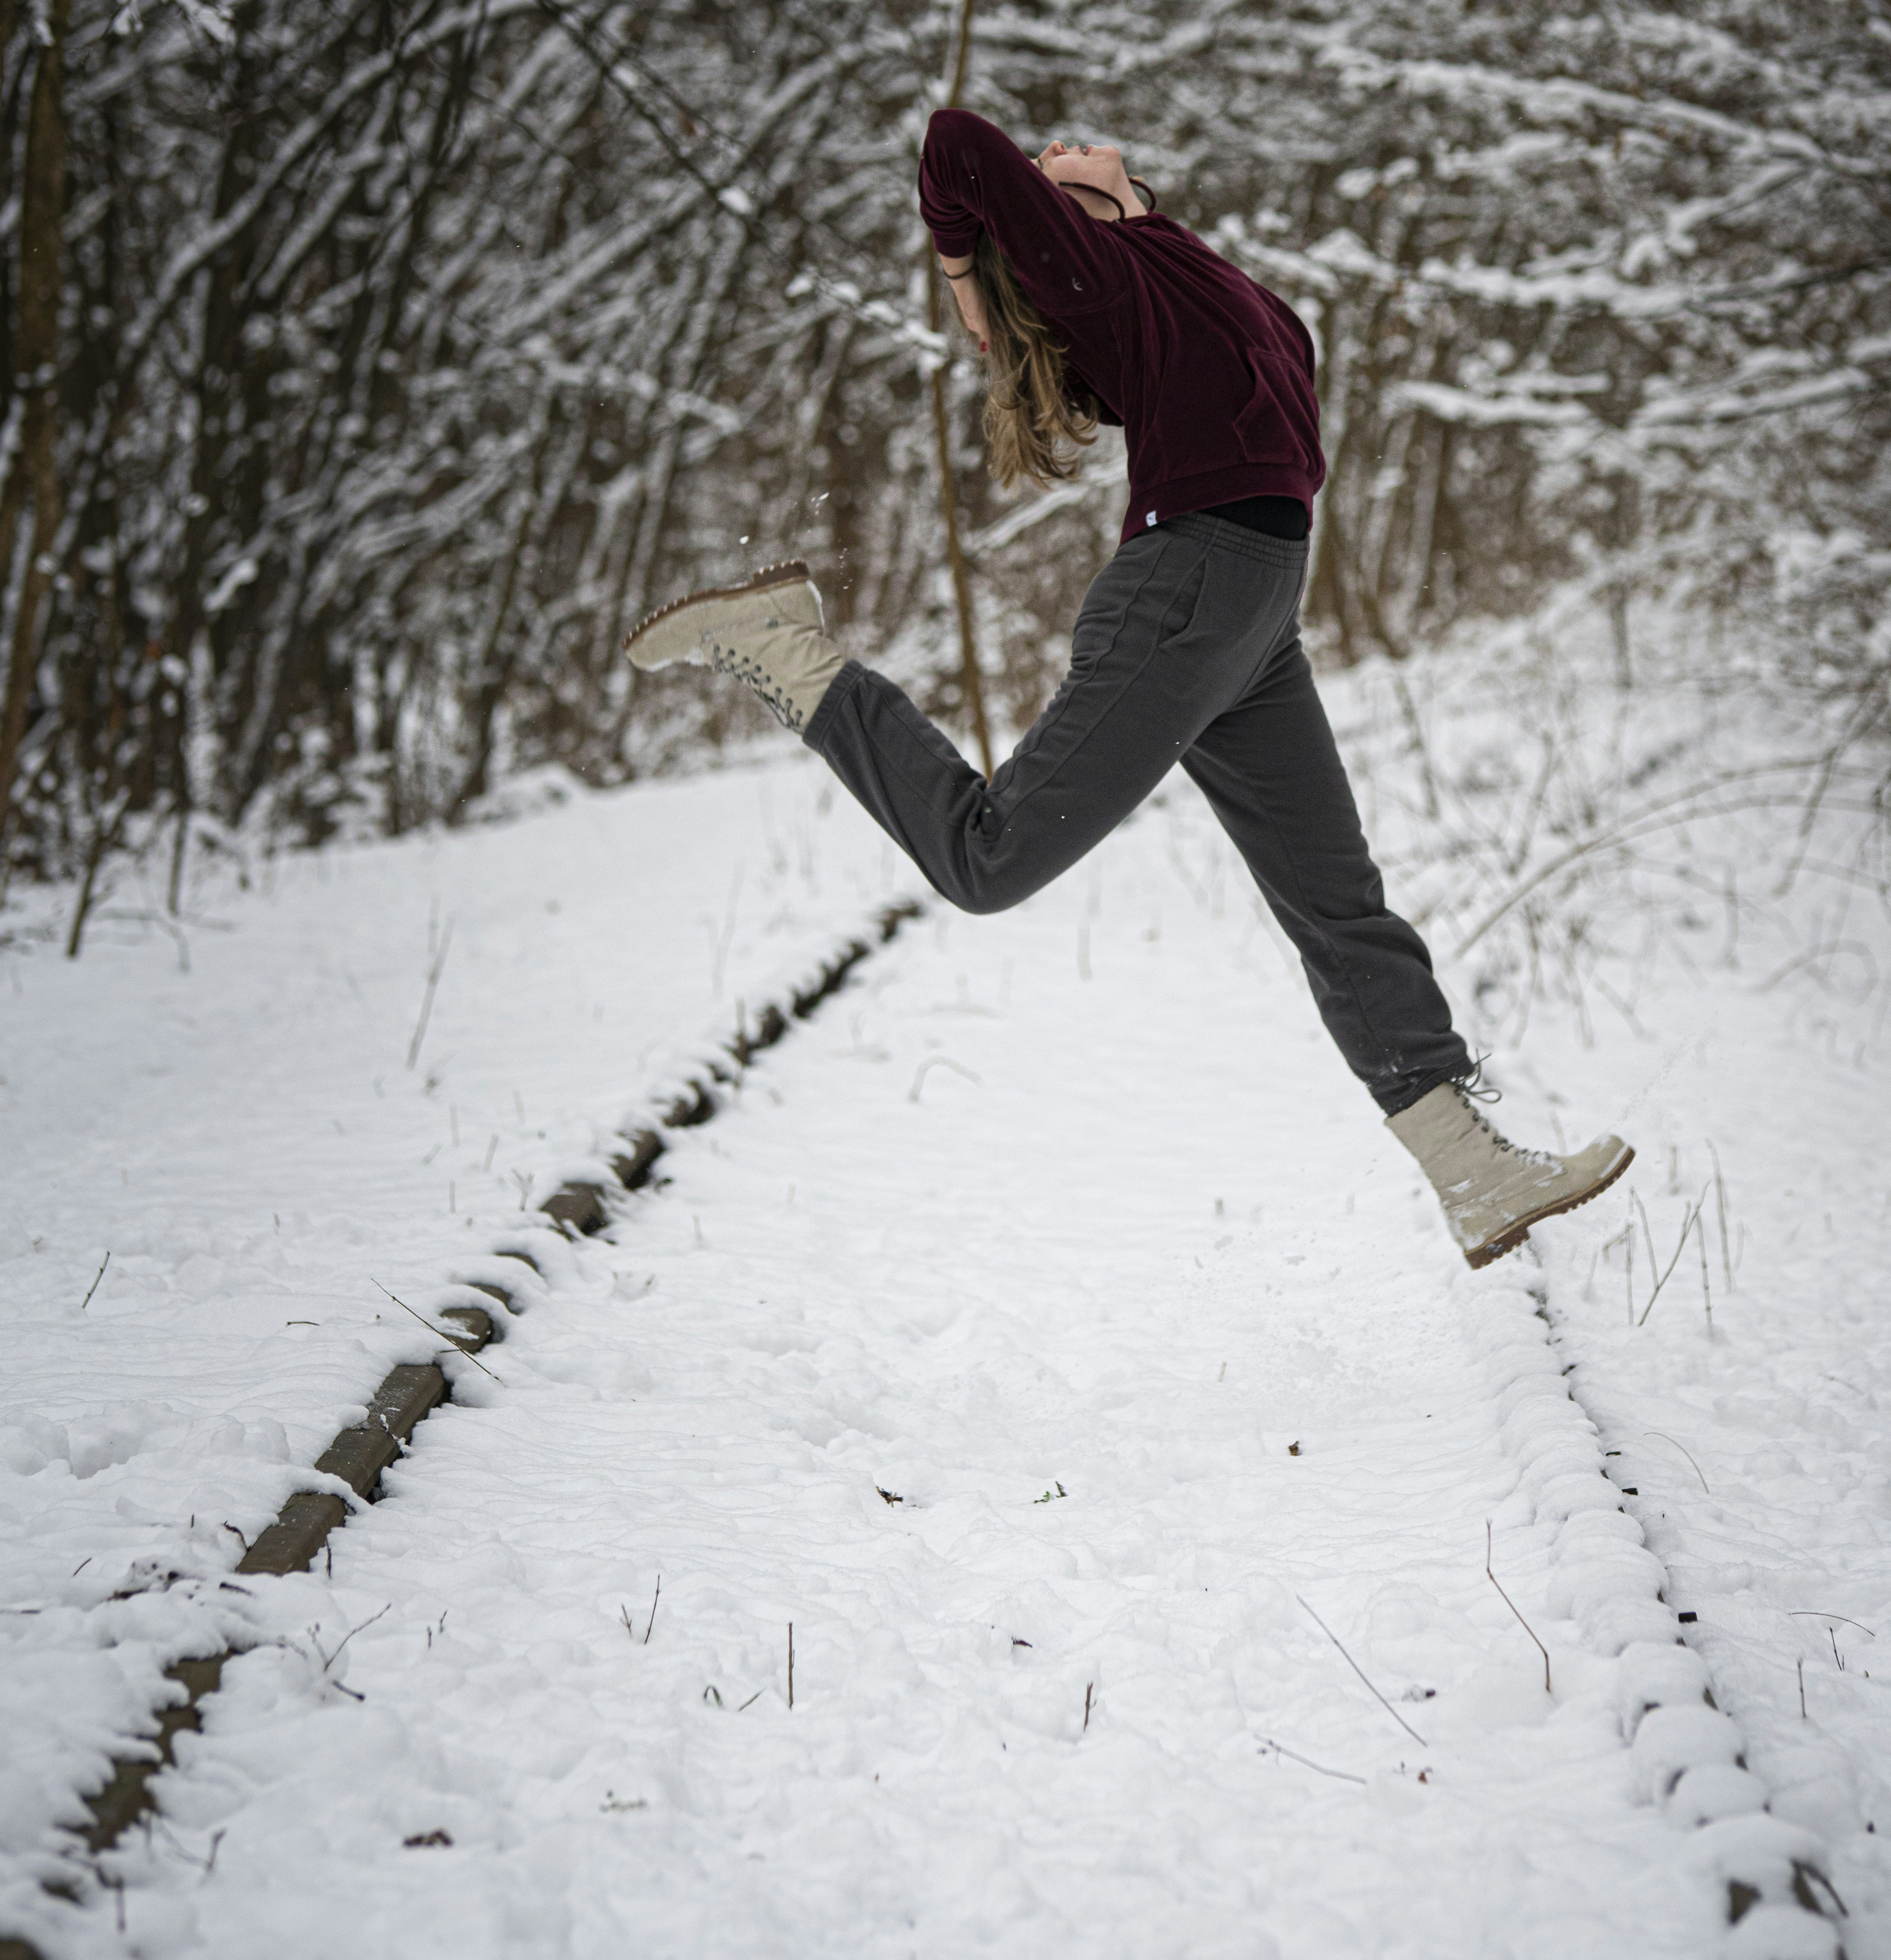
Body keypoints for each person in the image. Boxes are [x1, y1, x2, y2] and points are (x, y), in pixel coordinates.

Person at [627, 110, 1633, 1267]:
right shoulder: (1095, 276)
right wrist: (974, 271)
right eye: (1046, 162)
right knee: (988, 860)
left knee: (1336, 898)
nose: (1058, 142)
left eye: (1069, 152)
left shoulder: (1185, 269)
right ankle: (789, 653)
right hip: (1188, 590)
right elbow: (955, 140)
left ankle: (1468, 1167)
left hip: (1253, 609)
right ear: (1049, 221)